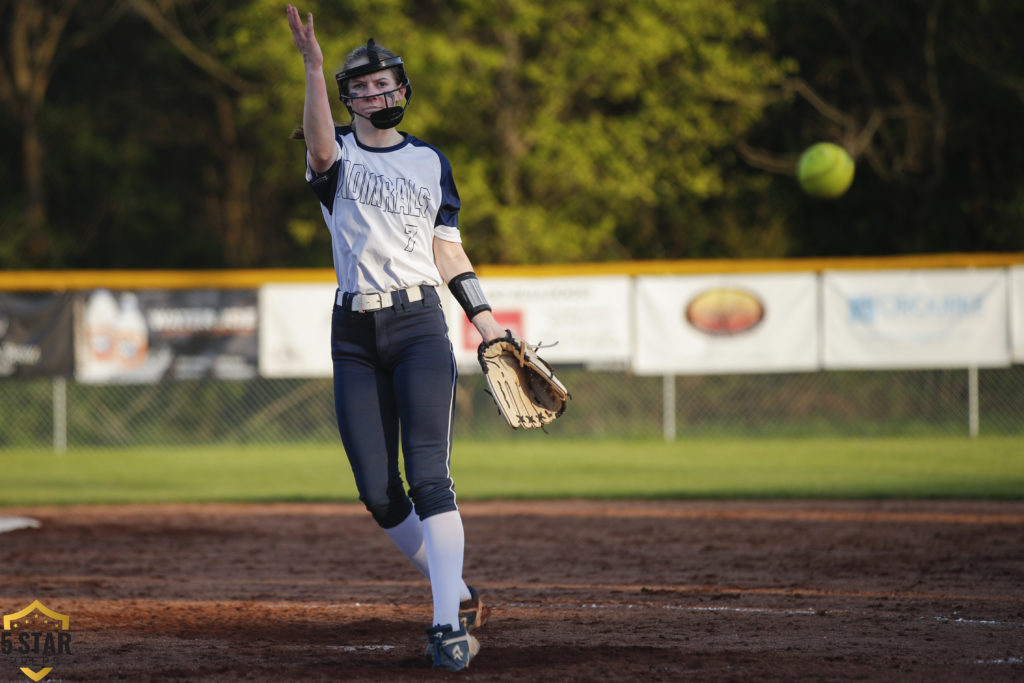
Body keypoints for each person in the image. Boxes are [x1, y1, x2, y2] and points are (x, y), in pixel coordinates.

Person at [286, 4, 505, 673]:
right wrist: (316, 67)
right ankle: (460, 589)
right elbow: (320, 147)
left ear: (403, 90)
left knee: (430, 476)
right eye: (367, 87)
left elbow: (450, 254)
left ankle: (446, 623)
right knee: (380, 490)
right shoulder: (337, 156)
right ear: (349, 98)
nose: (381, 94)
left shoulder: (431, 162)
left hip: (418, 327)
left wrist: (488, 323)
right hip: (353, 330)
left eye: (389, 84)